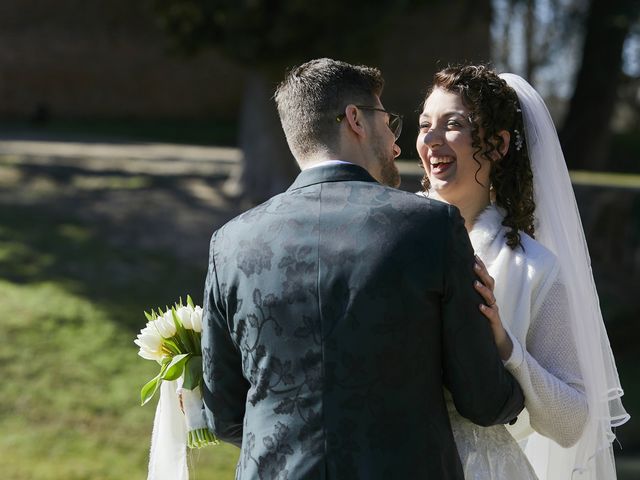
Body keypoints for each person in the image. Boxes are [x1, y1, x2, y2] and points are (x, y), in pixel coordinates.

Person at [201, 57, 524, 479]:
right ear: (355, 119)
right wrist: (520, 386)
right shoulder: (432, 227)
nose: (395, 139)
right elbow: (483, 401)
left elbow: (222, 413)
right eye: (388, 120)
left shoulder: (230, 242)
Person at [416, 64, 629, 479]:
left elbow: (572, 424)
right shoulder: (390, 237)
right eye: (425, 125)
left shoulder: (534, 269)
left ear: (497, 145)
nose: (431, 140)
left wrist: (505, 344)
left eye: (452, 124)